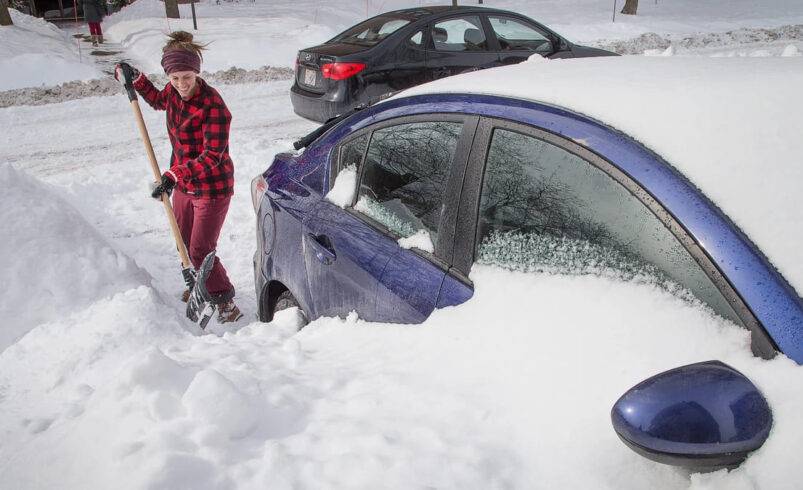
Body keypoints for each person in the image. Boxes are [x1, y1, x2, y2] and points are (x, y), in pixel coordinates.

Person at [115, 31, 242, 323]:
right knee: (182, 242)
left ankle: (225, 301)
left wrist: (174, 173)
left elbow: (213, 155)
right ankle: (199, 285)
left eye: (187, 77)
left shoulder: (214, 106)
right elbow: (158, 100)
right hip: (184, 182)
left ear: (196, 72)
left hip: (212, 186)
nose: (181, 85)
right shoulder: (172, 93)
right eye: (175, 79)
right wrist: (137, 80)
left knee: (200, 250)